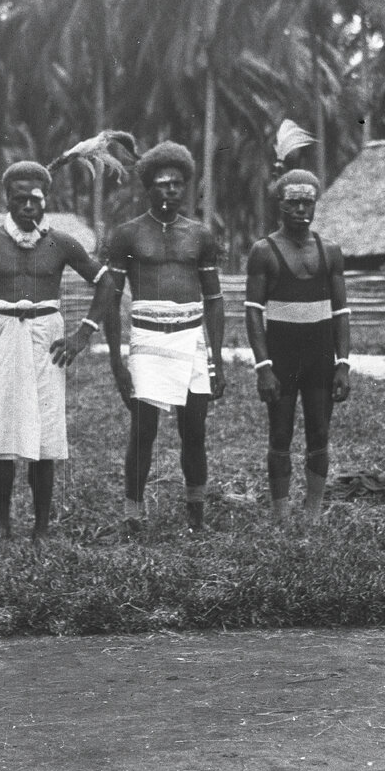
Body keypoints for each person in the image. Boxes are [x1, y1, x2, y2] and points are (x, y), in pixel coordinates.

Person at [0, 161, 114, 546]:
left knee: (44, 432)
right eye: (20, 200)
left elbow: (106, 282)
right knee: (0, 428)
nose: (28, 207)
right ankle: (3, 523)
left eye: (35, 199)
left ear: (45, 199)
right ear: (8, 200)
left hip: (47, 335)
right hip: (2, 333)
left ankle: (41, 527)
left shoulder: (61, 243)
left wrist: (84, 334)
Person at [103, 142, 226, 536]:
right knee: (143, 431)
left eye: (177, 184)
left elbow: (214, 299)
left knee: (195, 432)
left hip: (191, 340)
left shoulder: (200, 235)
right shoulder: (128, 235)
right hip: (148, 340)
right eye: (162, 184)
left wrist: (217, 360)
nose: (171, 190)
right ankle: (132, 515)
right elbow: (109, 299)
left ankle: (196, 516)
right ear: (148, 189)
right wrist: (117, 361)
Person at [244, 165, 351, 525]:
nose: (302, 210)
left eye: (308, 203)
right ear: (280, 206)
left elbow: (341, 311)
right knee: (280, 433)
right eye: (294, 203)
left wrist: (343, 363)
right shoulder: (264, 251)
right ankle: (281, 514)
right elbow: (253, 313)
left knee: (319, 431)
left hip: (320, 355)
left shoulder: (330, 250)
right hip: (282, 355)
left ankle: (313, 513)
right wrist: (264, 367)